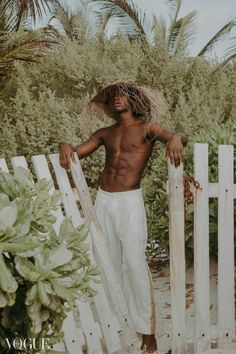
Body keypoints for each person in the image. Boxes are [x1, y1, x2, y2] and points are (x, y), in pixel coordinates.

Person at [59, 81, 188, 353]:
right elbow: (77, 152)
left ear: (134, 101)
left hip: (129, 201)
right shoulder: (105, 133)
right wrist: (64, 144)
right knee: (108, 263)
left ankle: (148, 334)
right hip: (103, 200)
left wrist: (176, 138)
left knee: (135, 266)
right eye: (112, 97)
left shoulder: (147, 129)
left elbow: (179, 136)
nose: (117, 99)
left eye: (122, 96)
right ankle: (119, 326)